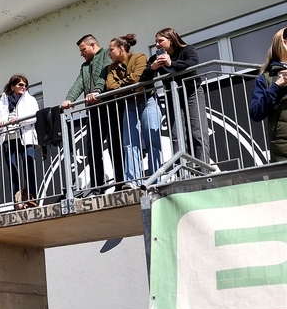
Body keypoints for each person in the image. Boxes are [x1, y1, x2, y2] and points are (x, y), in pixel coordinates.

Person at [140, 27, 210, 164]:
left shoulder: (187, 49)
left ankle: (204, 170)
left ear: (171, 40)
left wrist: (172, 63)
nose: (157, 44)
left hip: (192, 93)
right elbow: (143, 81)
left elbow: (193, 64)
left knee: (198, 132)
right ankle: (183, 172)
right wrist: (152, 68)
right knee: (176, 135)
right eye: (156, 41)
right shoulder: (156, 58)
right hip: (172, 97)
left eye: (160, 41)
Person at [62, 34, 115, 192]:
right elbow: (79, 83)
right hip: (92, 111)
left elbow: (104, 75)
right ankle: (97, 187)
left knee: (115, 146)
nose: (81, 53)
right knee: (92, 149)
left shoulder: (106, 54)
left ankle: (120, 182)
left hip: (108, 106)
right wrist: (68, 99)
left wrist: (98, 91)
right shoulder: (85, 66)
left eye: (83, 50)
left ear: (93, 45)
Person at [105, 34, 158, 185]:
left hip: (148, 100)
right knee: (129, 143)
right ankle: (132, 182)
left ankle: (156, 180)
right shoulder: (111, 68)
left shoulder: (139, 57)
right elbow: (110, 87)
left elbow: (138, 77)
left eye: (111, 50)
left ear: (121, 49)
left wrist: (122, 87)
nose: (109, 53)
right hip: (130, 104)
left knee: (152, 140)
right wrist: (131, 88)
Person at [0, 74, 39, 204]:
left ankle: (32, 198)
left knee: (28, 167)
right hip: (8, 138)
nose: (24, 87)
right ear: (12, 86)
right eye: (20, 85)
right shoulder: (3, 101)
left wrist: (19, 120)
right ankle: (18, 200)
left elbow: (34, 117)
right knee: (13, 171)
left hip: (25, 137)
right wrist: (1, 123)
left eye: (25, 85)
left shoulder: (30, 100)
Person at [249, 27, 287, 163]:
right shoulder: (266, 78)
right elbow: (255, 113)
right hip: (283, 152)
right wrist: (277, 86)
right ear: (285, 43)